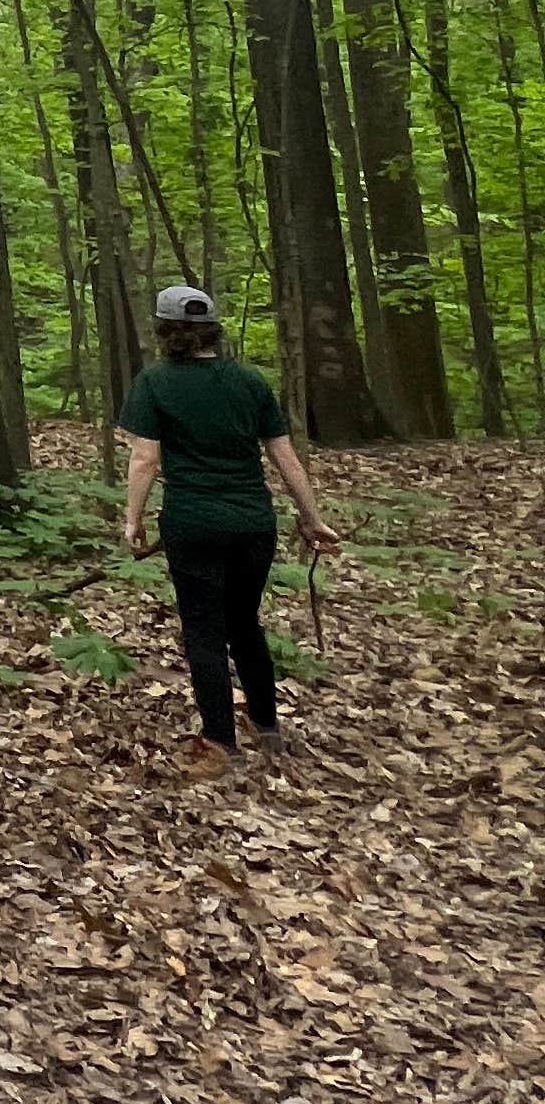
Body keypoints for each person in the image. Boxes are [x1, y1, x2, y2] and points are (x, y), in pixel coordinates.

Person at [121, 284, 334, 777]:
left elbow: (145, 458)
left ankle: (220, 742)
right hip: (253, 523)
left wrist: (132, 517)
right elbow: (284, 456)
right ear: (211, 331)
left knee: (203, 631)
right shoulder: (249, 382)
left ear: (165, 332)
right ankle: (268, 727)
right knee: (244, 623)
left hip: (192, 522)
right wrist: (311, 516)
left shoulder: (154, 384)